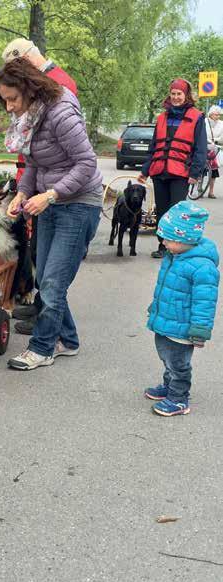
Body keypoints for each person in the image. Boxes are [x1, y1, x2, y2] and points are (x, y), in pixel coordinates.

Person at [0, 59, 102, 371]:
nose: (10, 107)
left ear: (29, 89)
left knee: (53, 281)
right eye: (5, 101)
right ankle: (68, 340)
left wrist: (51, 194)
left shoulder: (61, 113)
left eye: (12, 99)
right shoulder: (32, 117)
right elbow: (35, 163)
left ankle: (42, 348)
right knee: (48, 276)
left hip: (79, 203)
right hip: (49, 201)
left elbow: (86, 163)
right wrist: (24, 193)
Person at [1, 37, 78, 335]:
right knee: (40, 258)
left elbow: (77, 156)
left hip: (61, 186)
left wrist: (50, 193)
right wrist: (23, 189)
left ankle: (46, 324)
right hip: (37, 173)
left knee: (51, 270)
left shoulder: (58, 86)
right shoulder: (38, 86)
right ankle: (42, 308)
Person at [144, 201, 219, 416]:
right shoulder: (174, 256)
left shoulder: (203, 267)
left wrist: (200, 330)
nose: (164, 243)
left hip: (183, 327)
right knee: (167, 357)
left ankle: (178, 399)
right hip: (166, 321)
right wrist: (156, 307)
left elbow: (205, 302)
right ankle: (169, 387)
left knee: (178, 363)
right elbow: (167, 288)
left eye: (168, 239)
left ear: (185, 239)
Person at [138, 78, 207, 259]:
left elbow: (200, 148)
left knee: (176, 211)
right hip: (160, 170)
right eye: (173, 94)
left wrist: (195, 173)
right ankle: (163, 246)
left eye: (179, 94)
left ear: (186, 95)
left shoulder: (197, 117)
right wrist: (145, 171)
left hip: (180, 172)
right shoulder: (162, 117)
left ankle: (176, 246)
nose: (176, 97)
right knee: (161, 210)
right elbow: (153, 147)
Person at [206, 105, 223, 199]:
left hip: (214, 147)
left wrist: (214, 140)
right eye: (216, 114)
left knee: (214, 170)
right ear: (211, 114)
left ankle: (211, 192)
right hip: (203, 145)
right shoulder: (205, 122)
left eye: (219, 115)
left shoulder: (222, 124)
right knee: (198, 166)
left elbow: (222, 137)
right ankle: (197, 186)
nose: (218, 116)